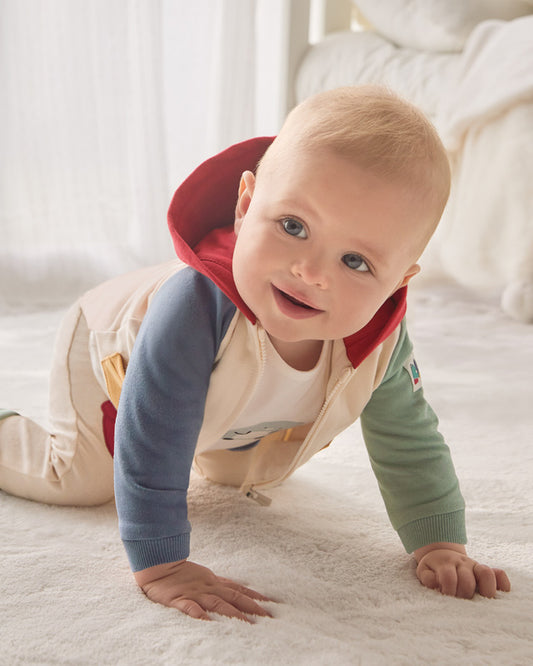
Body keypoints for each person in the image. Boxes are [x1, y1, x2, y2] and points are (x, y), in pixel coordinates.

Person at [0, 86, 510, 622]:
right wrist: (162, 564)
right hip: (110, 355)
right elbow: (155, 431)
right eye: (293, 227)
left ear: (399, 282)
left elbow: (409, 437)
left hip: (229, 410)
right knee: (81, 479)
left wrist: (441, 543)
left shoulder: (379, 339)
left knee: (240, 472)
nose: (310, 272)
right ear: (245, 206)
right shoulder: (194, 309)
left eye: (355, 262)